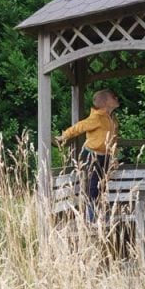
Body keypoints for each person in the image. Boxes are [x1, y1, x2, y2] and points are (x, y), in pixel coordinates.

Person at [56, 89, 120, 222]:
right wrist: (64, 136)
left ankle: (100, 214)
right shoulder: (96, 117)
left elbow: (112, 139)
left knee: (103, 184)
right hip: (93, 155)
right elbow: (80, 126)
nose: (117, 99)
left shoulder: (111, 119)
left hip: (105, 156)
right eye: (114, 97)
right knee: (93, 185)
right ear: (106, 102)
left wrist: (114, 155)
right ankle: (91, 217)